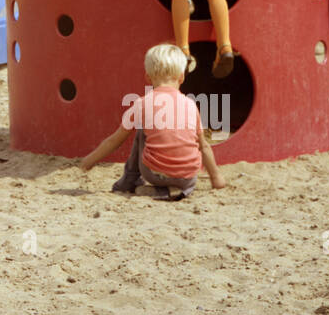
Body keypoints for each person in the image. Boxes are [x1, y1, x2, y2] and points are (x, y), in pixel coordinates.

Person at [80, 43, 225, 199]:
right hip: (187, 177)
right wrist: (216, 177)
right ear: (182, 77)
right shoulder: (191, 104)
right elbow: (203, 146)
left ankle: (130, 181)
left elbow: (115, 140)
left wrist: (89, 160)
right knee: (188, 160)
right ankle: (175, 191)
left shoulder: (142, 103)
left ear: (148, 78)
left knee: (142, 129)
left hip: (155, 174)